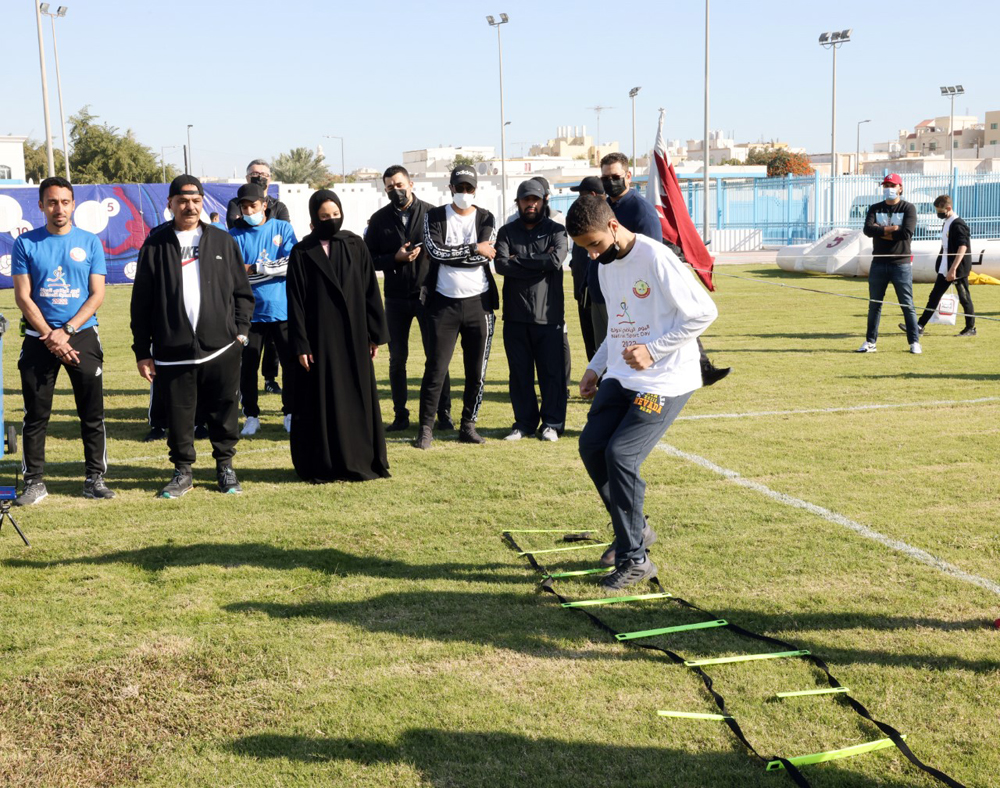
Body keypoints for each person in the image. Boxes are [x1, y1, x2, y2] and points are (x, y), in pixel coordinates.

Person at [568, 195, 718, 590]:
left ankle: (635, 559)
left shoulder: (657, 258)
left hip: (666, 379)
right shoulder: (604, 266)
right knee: (592, 446)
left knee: (621, 454)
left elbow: (704, 313)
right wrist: (594, 367)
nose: (592, 253)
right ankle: (637, 531)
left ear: (613, 226)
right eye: (584, 249)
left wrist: (653, 351)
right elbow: (619, 326)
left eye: (594, 244)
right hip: (621, 375)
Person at [131, 175, 255, 498]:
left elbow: (243, 294)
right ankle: (182, 471)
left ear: (203, 203)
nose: (190, 206)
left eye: (196, 201)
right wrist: (142, 351)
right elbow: (141, 303)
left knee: (224, 409)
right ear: (170, 203)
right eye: (183, 201)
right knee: (179, 413)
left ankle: (225, 467)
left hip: (221, 349)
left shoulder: (222, 242)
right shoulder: (155, 244)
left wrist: (240, 333)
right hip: (174, 351)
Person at [11, 176, 114, 505]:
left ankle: (94, 479)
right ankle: (34, 482)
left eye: (65, 202)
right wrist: (49, 335)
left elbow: (97, 295)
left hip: (80, 335)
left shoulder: (90, 242)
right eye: (52, 202)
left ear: (73, 204)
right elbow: (24, 297)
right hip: (38, 338)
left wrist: (66, 330)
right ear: (41, 205)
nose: (59, 208)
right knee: (36, 415)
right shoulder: (26, 244)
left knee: (91, 413)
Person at [286, 190, 390, 482]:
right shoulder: (302, 252)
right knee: (321, 400)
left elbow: (370, 290)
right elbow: (295, 302)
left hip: (354, 335)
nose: (331, 221)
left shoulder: (355, 245)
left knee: (355, 396)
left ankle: (359, 459)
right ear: (312, 220)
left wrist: (375, 334)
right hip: (318, 339)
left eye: (335, 215)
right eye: (324, 217)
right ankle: (324, 464)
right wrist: (301, 343)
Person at [600, 152, 730, 386]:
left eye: (615, 176)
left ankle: (700, 366)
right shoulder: (605, 208)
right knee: (618, 331)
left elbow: (652, 251)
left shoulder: (642, 210)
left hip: (643, 287)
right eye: (605, 178)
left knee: (676, 320)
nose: (610, 182)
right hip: (615, 283)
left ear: (628, 176)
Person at [415, 166, 499, 449]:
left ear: (476, 189)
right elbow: (435, 252)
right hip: (442, 305)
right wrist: (474, 248)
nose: (464, 193)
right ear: (450, 188)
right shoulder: (434, 216)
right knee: (436, 369)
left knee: (477, 372)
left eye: (469, 188)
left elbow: (485, 257)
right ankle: (426, 428)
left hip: (480, 305)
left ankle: (468, 425)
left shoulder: (486, 217)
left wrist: (472, 253)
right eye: (459, 187)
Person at [365, 165, 452, 432]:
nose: (396, 190)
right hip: (395, 298)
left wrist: (429, 252)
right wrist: (395, 258)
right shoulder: (378, 220)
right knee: (397, 358)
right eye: (390, 187)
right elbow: (368, 261)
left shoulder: (432, 214)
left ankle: (443, 412)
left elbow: (446, 250)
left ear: (411, 183)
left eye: (400, 184)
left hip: (428, 295)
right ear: (385, 189)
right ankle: (400, 414)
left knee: (436, 357)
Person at [494, 179, 569, 441]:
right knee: (520, 375)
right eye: (526, 200)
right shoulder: (506, 232)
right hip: (515, 316)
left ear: (545, 200)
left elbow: (555, 260)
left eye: (536, 199)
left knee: (552, 374)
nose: (531, 204)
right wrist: (538, 262)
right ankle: (524, 423)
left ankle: (552, 423)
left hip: (548, 317)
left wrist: (519, 260)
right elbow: (501, 265)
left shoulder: (557, 231)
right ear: (518, 202)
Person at [229, 183, 298, 435]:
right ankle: (251, 415)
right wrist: (266, 270)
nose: (249, 211)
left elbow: (292, 263)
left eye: (253, 206)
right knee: (248, 367)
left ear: (264, 205)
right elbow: (234, 273)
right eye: (244, 207)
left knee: (290, 365)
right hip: (249, 314)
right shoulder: (233, 235)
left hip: (282, 310)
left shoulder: (282, 228)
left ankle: (290, 412)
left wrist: (256, 268)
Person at [860, 173, 921, 354]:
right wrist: (891, 229)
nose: (888, 188)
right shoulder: (875, 208)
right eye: (886, 185)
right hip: (878, 262)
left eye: (892, 185)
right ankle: (870, 342)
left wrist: (881, 231)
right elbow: (868, 230)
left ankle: (914, 342)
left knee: (907, 304)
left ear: (900, 187)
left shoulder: (908, 208)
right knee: (874, 304)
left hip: (900, 263)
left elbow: (906, 233)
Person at [903, 194, 976, 338]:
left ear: (948, 208)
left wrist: (953, 269)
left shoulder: (958, 224)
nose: (938, 213)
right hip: (944, 267)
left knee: (964, 297)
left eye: (939, 210)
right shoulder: (947, 222)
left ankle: (970, 328)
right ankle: (919, 326)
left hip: (957, 269)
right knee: (934, 296)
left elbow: (963, 247)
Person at [569, 176, 604, 360]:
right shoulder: (584, 218)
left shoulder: (602, 221)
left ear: (591, 195)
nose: (578, 199)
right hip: (583, 296)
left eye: (581, 195)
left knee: (600, 345)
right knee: (591, 346)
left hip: (596, 297)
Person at [226, 159, 290, 229]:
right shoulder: (236, 203)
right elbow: (235, 227)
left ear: (269, 179)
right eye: (255, 174)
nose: (259, 177)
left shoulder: (279, 207)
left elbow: (284, 230)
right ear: (247, 178)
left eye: (263, 174)